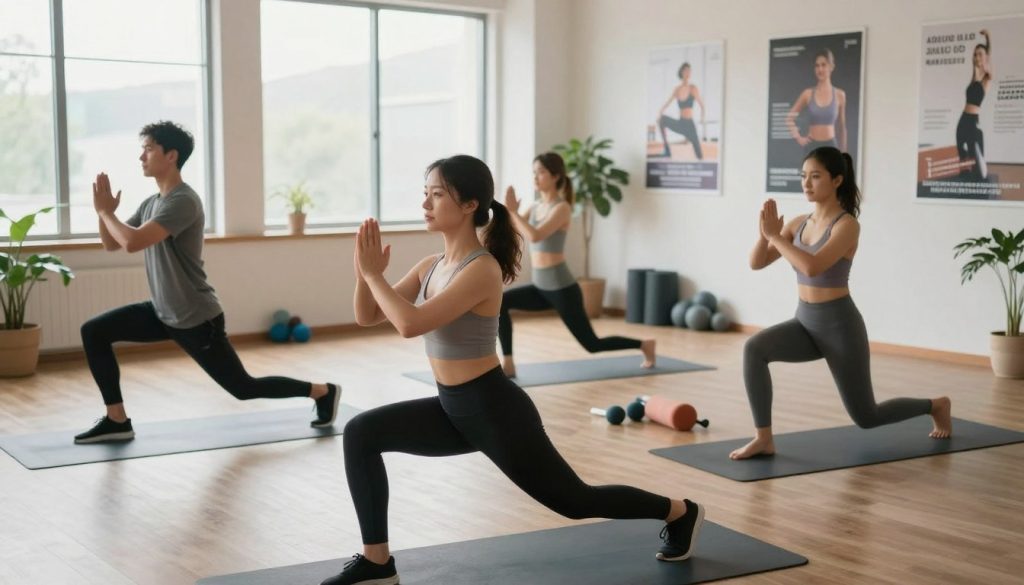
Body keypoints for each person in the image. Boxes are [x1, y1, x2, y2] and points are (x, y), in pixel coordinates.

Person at [324, 155, 703, 585]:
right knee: (361, 433)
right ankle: (377, 563)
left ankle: (680, 512)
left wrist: (374, 276)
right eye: (425, 194)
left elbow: (410, 324)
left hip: (494, 410)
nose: (425, 204)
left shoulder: (481, 268)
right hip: (453, 407)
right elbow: (368, 316)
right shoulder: (430, 266)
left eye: (437, 195)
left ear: (470, 204)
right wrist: (364, 273)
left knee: (576, 501)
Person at [74, 121, 340, 444]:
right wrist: (103, 213)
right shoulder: (151, 203)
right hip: (163, 312)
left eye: (148, 149)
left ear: (171, 155)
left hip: (196, 318)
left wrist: (106, 214)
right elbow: (112, 243)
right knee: (94, 331)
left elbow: (132, 242)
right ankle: (117, 419)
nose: (141, 157)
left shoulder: (183, 201)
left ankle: (322, 392)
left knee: (243, 388)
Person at [730, 146, 952, 460]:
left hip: (839, 326)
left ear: (836, 180)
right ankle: (763, 439)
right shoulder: (798, 224)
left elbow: (813, 267)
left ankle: (936, 405)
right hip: (805, 322)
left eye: (815, 176)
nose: (806, 183)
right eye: (803, 176)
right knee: (754, 348)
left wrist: (776, 237)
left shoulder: (847, 225)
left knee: (867, 416)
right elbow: (757, 263)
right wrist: (764, 235)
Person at [499, 152, 655, 378]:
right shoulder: (534, 207)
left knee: (592, 344)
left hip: (562, 288)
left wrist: (513, 212)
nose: (535, 177)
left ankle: (644, 345)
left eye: (541, 172)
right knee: (501, 302)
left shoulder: (562, 208)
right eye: (534, 172)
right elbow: (515, 229)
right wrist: (506, 212)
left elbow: (535, 235)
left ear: (555, 176)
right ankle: (509, 363)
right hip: (541, 287)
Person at [785, 49, 848, 155]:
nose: (820, 69)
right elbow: (789, 118)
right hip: (811, 146)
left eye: (823, 65)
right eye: (817, 65)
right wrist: (799, 138)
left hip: (831, 146)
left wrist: (844, 155)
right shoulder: (807, 94)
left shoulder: (840, 95)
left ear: (831, 67)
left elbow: (842, 127)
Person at [957, 29, 992, 181]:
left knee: (980, 171)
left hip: (973, 121)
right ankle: (964, 177)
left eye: (980, 54)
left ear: (986, 57)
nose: (977, 57)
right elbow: (979, 61)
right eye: (975, 54)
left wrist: (988, 37)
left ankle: (978, 172)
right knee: (961, 150)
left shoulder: (987, 78)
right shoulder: (974, 77)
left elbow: (987, 54)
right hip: (963, 119)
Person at [655, 62, 705, 159]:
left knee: (699, 155)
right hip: (681, 123)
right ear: (682, 72)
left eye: (689, 71)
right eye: (686, 70)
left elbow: (702, 105)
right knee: (662, 120)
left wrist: (702, 118)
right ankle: (667, 150)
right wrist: (660, 113)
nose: (688, 73)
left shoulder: (693, 88)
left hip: (690, 125)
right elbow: (668, 102)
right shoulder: (677, 89)